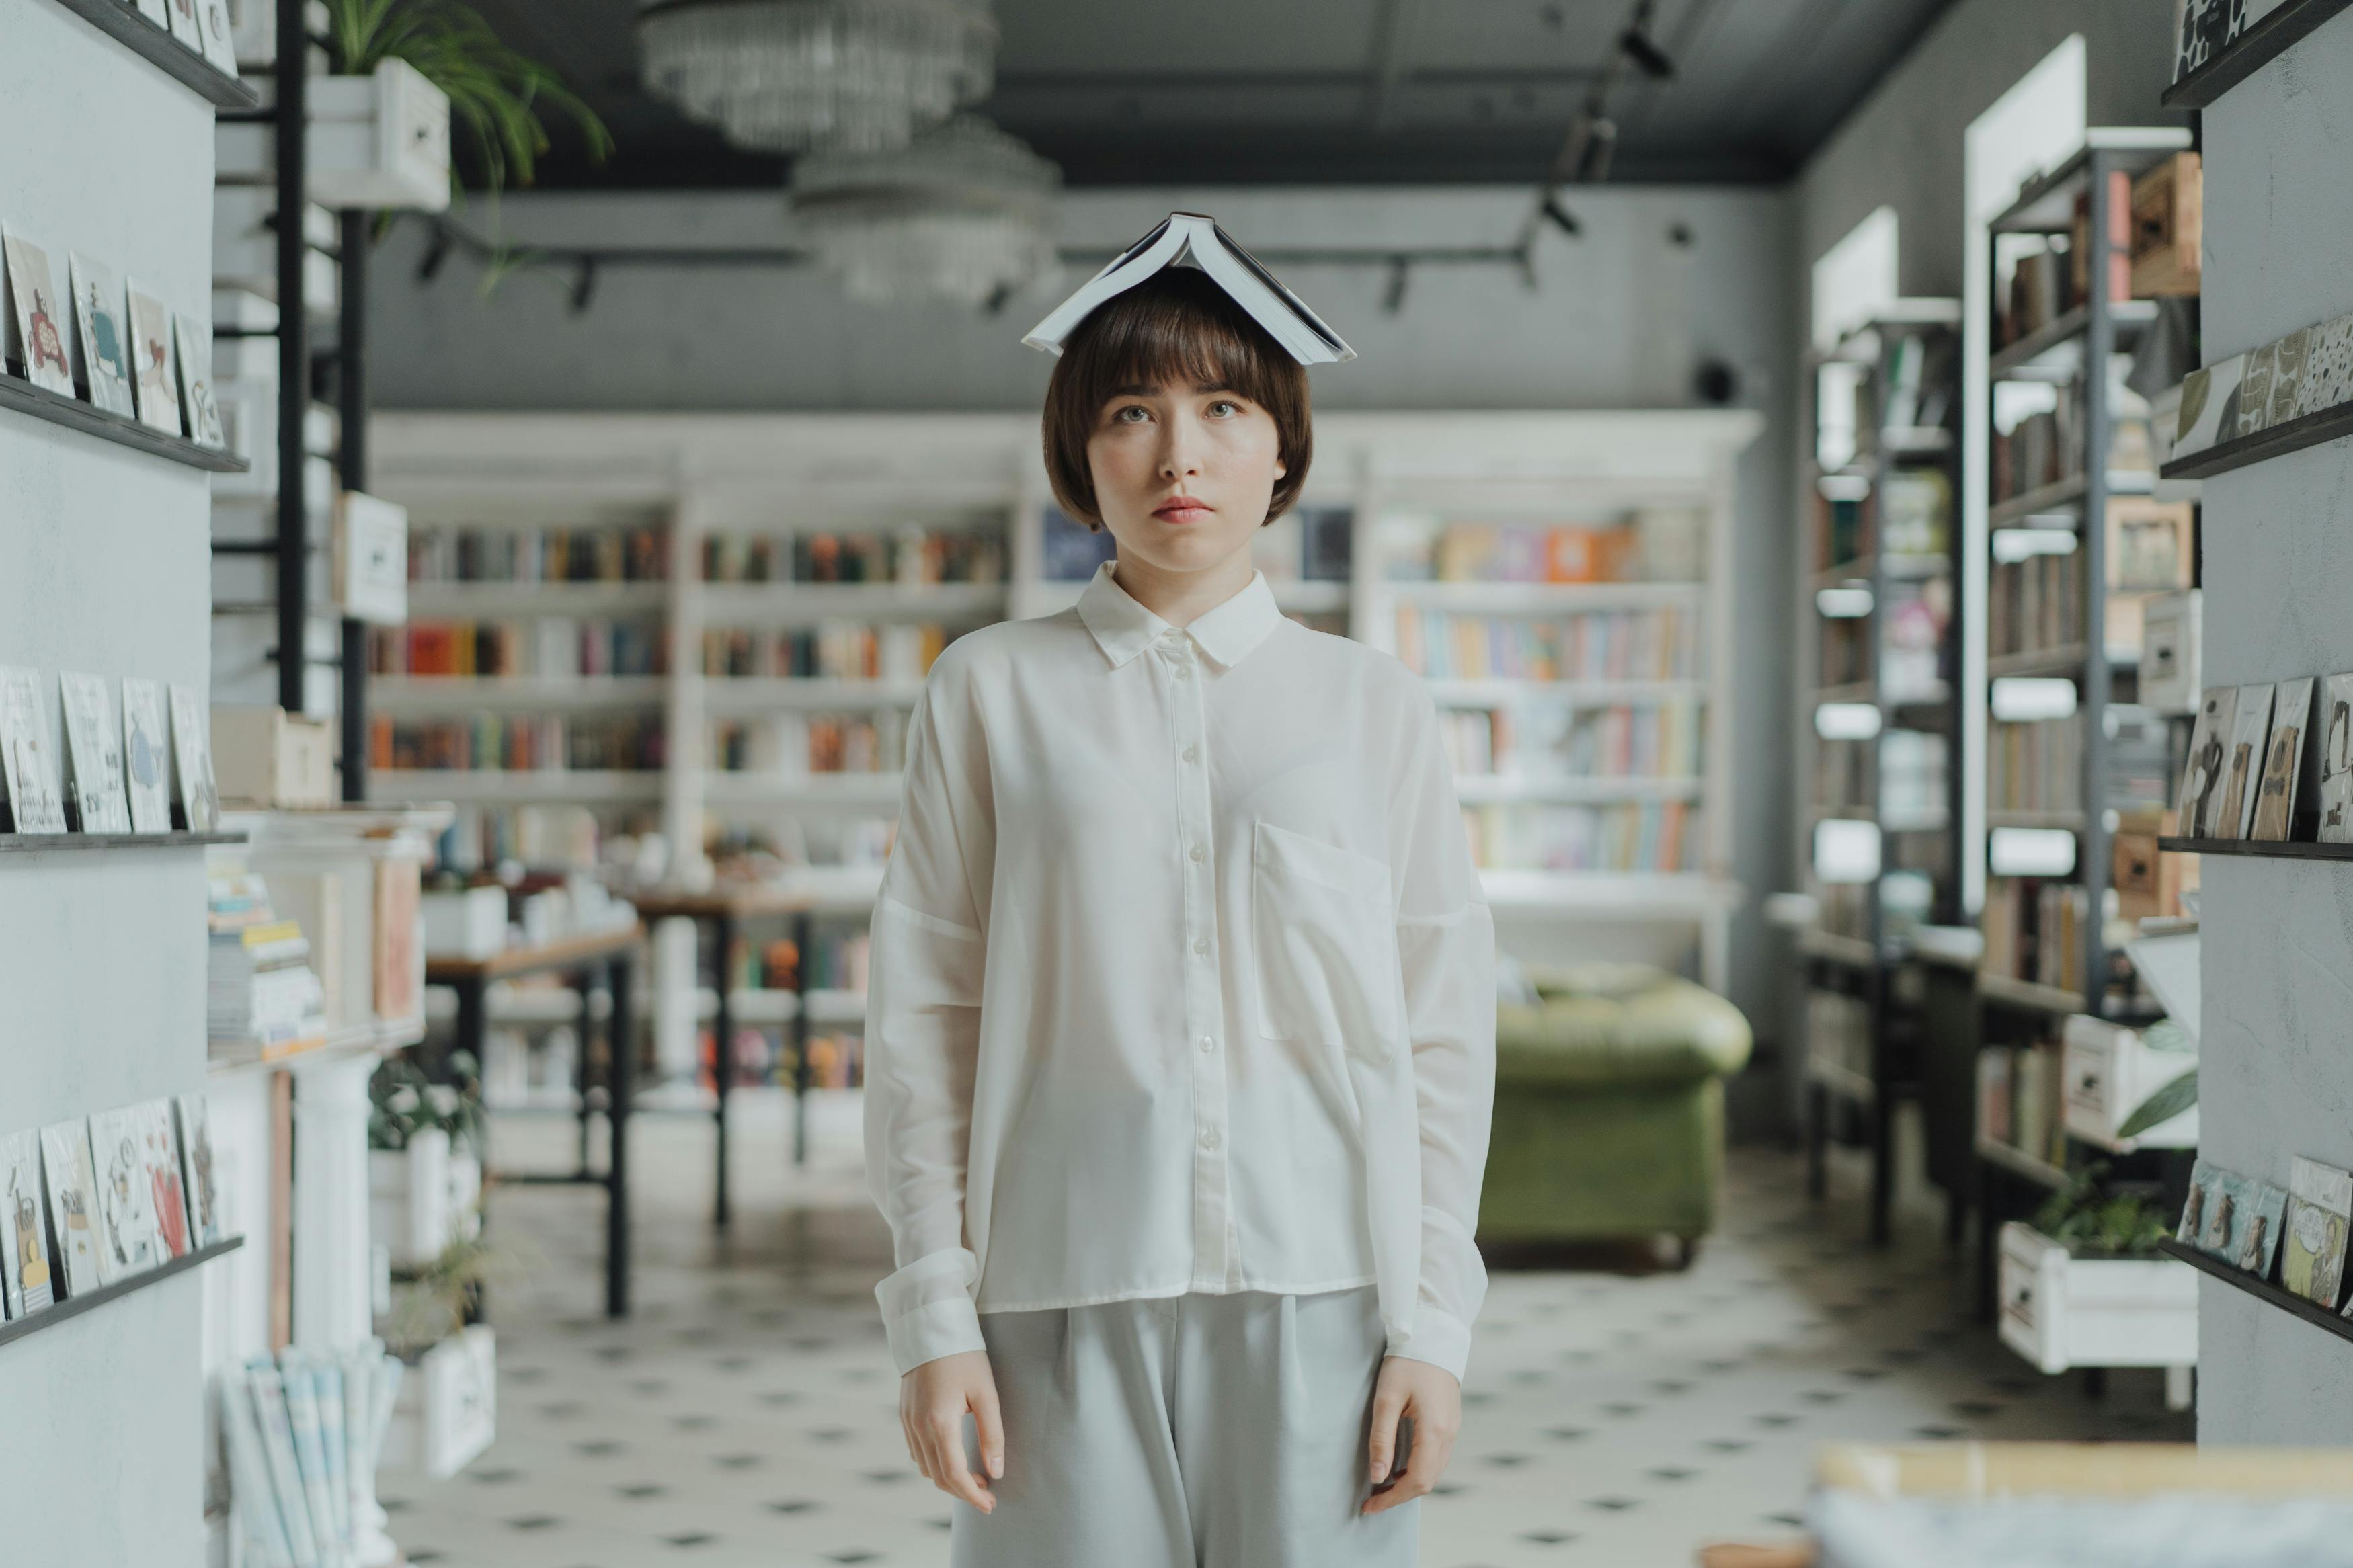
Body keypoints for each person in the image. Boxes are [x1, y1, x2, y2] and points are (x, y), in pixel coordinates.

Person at [861, 220, 1497, 1568]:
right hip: (1057, 1287)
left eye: (1223, 408)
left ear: (1282, 451)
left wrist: (1432, 1331)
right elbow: (925, 1019)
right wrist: (934, 1318)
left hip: (1326, 1295)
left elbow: (1442, 1033)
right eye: (1132, 412)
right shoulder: (988, 692)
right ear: (1079, 455)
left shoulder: (1369, 708)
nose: (1178, 454)